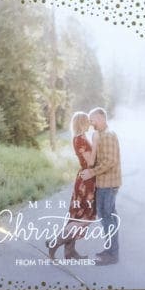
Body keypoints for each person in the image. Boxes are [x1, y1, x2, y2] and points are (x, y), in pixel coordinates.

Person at [49, 112, 96, 261]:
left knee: (77, 215)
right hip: (86, 181)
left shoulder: (79, 138)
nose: (90, 124)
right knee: (85, 217)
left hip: (85, 179)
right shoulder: (81, 139)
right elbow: (91, 162)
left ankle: (70, 252)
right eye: (87, 121)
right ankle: (54, 242)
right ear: (82, 123)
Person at [80, 106, 121, 265]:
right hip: (103, 183)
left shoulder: (108, 136)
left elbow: (111, 161)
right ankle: (109, 250)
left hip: (109, 184)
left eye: (92, 120)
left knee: (108, 217)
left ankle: (113, 255)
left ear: (101, 118)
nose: (91, 124)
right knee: (105, 217)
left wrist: (92, 173)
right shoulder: (100, 135)